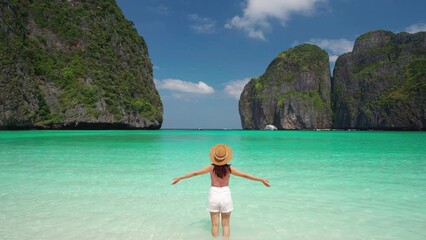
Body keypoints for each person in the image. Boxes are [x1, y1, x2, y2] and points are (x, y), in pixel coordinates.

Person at [172, 143, 270, 239]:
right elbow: (245, 175)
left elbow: (195, 173)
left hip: (214, 194)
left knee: (215, 225)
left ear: (215, 157)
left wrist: (180, 177)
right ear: (226, 157)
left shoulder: (211, 167)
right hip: (226, 195)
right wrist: (260, 179)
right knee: (226, 225)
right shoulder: (229, 168)